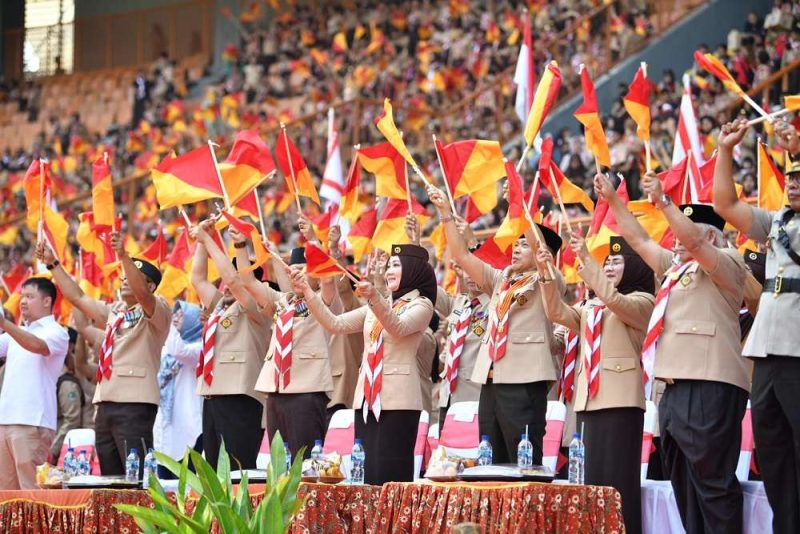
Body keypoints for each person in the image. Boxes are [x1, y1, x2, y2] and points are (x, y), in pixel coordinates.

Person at [601, 170, 749, 533]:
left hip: (709, 382)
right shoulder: (676, 269)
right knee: (683, 484)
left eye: (684, 231)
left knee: (712, 483)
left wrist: (664, 202)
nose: (676, 240)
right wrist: (613, 201)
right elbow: (637, 238)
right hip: (673, 390)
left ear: (710, 234)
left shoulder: (727, 263)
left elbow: (695, 242)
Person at [426, 183, 564, 465]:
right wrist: (445, 215)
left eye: (524, 243)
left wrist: (518, 207)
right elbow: (463, 256)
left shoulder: (548, 279)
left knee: (523, 460)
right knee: (491, 460)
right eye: (517, 243)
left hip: (525, 379)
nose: (516, 248)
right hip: (490, 379)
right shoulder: (501, 279)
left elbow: (542, 257)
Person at [712, 117, 800, 534]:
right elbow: (725, 206)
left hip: (797, 348)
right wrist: (726, 150)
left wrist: (797, 147)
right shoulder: (777, 221)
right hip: (767, 349)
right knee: (773, 448)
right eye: (792, 175)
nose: (794, 182)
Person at [537, 235, 655, 534]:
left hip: (620, 402)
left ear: (636, 267)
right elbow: (557, 313)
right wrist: (546, 274)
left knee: (617, 485)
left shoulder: (643, 301)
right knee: (593, 484)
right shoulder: (592, 305)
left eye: (617, 261)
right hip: (589, 400)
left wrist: (589, 263)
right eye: (607, 262)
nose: (610, 266)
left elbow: (616, 301)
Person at [289, 244, 435, 484]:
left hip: (398, 402)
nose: (389, 271)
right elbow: (335, 323)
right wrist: (307, 291)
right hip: (367, 399)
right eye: (388, 266)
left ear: (413, 269)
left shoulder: (421, 305)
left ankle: (393, 522)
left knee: (391, 475)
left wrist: (375, 297)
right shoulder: (378, 304)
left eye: (396, 266)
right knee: (368, 473)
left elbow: (397, 328)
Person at [36, 233, 171, 477]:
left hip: (135, 405)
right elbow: (78, 297)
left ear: (149, 285)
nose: (124, 280)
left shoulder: (157, 310)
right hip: (105, 404)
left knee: (137, 478)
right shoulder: (115, 314)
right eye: (123, 277)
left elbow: (143, 296)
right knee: (110, 480)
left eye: (131, 277)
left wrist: (122, 255)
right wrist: (53, 265)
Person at [233, 219, 334, 461]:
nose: (295, 272)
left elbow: (329, 280)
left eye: (303, 268)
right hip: (276, 390)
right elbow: (247, 281)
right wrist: (239, 244)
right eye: (292, 267)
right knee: (280, 466)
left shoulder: (324, 299)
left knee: (306, 463)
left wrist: (312, 239)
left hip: (307, 390)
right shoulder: (282, 301)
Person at [190, 221, 271, 469]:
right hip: (214, 396)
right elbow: (198, 279)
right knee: (214, 473)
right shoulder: (221, 306)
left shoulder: (259, 304)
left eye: (231, 276)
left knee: (238, 472)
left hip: (241, 396)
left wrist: (209, 240)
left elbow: (235, 283)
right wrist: (205, 241)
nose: (225, 284)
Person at [0, 277, 69, 489]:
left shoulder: (57, 332)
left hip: (32, 422)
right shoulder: (17, 333)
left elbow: (37, 346)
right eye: (22, 296)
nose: (22, 301)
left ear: (47, 301)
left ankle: (35, 525)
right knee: (5, 493)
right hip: (5, 420)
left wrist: (5, 324)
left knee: (31, 491)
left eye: (29, 296)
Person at [153, 301, 203, 477]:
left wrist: (166, 321)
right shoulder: (166, 347)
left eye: (181, 315)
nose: (176, 318)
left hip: (188, 425)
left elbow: (179, 352)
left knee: (186, 486)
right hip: (166, 424)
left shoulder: (200, 347)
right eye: (174, 315)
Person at [325, 225, 364, 422]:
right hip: (316, 389)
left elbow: (342, 289)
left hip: (338, 394)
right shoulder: (317, 303)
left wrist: (333, 251)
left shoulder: (353, 306)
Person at [51, 328, 85, 461]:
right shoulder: (55, 379)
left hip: (66, 452)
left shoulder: (66, 383)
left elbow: (72, 420)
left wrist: (53, 450)